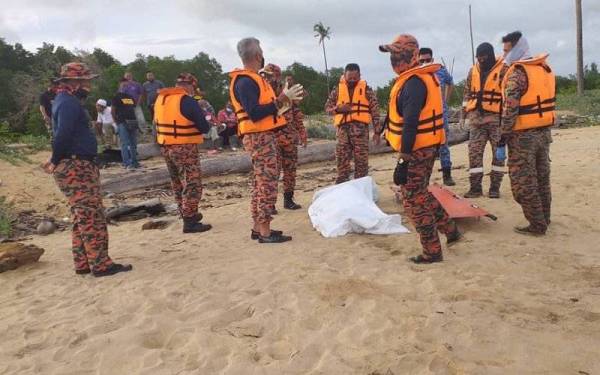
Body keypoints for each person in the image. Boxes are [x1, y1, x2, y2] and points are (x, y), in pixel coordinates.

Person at [42, 62, 132, 277]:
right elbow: (63, 133)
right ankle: (101, 264)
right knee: (91, 216)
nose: (88, 86)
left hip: (75, 163)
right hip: (76, 166)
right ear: (75, 82)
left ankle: (83, 262)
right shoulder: (69, 103)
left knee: (81, 215)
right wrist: (55, 158)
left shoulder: (63, 101)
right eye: (85, 81)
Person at [379, 34, 462, 264]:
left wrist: (403, 161)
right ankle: (451, 229)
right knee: (421, 192)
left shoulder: (414, 82)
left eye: (398, 54)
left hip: (417, 150)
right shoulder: (413, 79)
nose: (395, 59)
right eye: (393, 54)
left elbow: (411, 123)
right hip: (425, 147)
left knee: (413, 201)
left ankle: (432, 251)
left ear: (411, 55)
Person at [229, 37, 303, 243]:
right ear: (257, 56)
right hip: (259, 138)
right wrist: (280, 100)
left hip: (264, 136)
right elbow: (254, 113)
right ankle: (264, 232)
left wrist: (284, 102)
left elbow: (267, 110)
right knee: (267, 183)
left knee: (260, 182)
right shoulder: (245, 82)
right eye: (261, 52)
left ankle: (257, 228)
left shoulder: (252, 79)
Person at [498, 31, 554, 236]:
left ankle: (537, 225)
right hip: (544, 133)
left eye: (507, 50)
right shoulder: (544, 68)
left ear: (517, 48)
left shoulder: (517, 73)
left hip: (523, 137)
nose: (504, 55)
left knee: (523, 182)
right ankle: (545, 218)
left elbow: (510, 108)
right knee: (542, 178)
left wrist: (503, 135)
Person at [154, 73, 213, 233]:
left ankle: (187, 213)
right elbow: (203, 127)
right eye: (194, 88)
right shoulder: (187, 101)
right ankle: (190, 221)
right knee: (192, 183)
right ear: (190, 86)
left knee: (177, 183)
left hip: (166, 146)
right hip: (184, 147)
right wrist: (209, 123)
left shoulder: (161, 99)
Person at [462, 43, 506, 198]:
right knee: (474, 155)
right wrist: (464, 114)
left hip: (496, 121)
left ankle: (494, 188)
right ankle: (475, 188)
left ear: (491, 55)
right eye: (478, 57)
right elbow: (467, 93)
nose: (481, 60)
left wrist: (506, 121)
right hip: (476, 121)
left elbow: (508, 97)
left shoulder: (504, 70)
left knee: (499, 156)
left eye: (484, 57)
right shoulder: (472, 71)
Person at [261, 64, 307, 210]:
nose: (267, 78)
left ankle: (288, 199)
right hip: (271, 138)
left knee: (290, 170)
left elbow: (297, 113)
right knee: (271, 172)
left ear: (277, 76)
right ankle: (271, 204)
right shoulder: (262, 92)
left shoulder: (288, 91)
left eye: (270, 75)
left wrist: (302, 132)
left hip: (289, 137)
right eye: (265, 75)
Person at [325, 63, 381, 184]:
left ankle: (361, 192)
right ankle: (342, 190)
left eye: (355, 78)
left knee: (361, 165)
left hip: (360, 133)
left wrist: (377, 132)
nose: (352, 81)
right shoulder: (337, 90)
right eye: (349, 78)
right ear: (344, 75)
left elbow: (375, 111)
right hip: (342, 133)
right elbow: (327, 109)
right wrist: (338, 109)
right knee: (342, 163)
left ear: (359, 76)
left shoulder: (367, 90)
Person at [418, 47, 456, 186]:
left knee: (443, 144)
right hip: (424, 116)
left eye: (428, 60)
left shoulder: (440, 70)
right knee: (424, 147)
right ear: (418, 60)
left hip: (440, 114)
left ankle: (447, 175)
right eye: (422, 61)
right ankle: (424, 177)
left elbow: (450, 83)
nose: (425, 63)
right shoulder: (417, 74)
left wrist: (445, 100)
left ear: (432, 59)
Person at [112, 79, 141, 169]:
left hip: (132, 121)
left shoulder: (130, 97)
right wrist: (116, 122)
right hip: (122, 122)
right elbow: (113, 111)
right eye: (124, 85)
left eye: (127, 86)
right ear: (120, 85)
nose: (125, 87)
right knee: (125, 143)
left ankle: (135, 162)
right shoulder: (116, 97)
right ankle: (126, 163)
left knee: (133, 143)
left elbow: (133, 109)